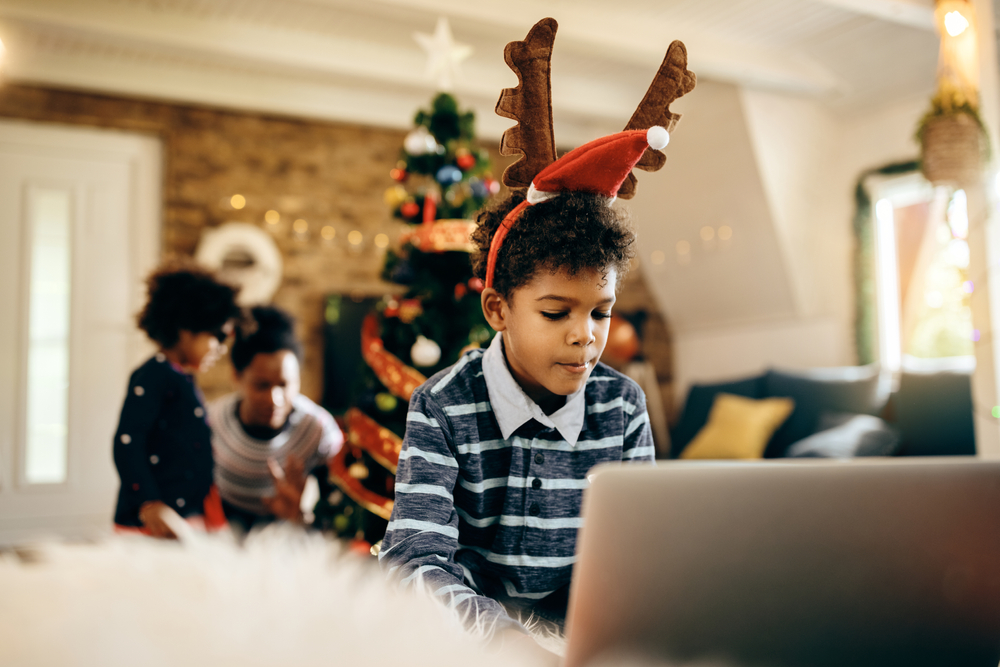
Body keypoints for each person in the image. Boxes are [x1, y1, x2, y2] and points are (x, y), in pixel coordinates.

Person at [113, 264, 242, 538]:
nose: (221, 348)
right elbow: (128, 441)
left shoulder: (182, 378)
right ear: (185, 329)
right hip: (154, 517)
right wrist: (148, 501)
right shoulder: (153, 375)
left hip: (186, 512)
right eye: (216, 336)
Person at [209, 306, 344, 534]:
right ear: (237, 376)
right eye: (261, 385)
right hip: (221, 529)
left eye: (284, 384)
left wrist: (297, 518)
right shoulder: (213, 422)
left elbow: (336, 520)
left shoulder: (319, 430)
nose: (275, 399)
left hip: (287, 536)